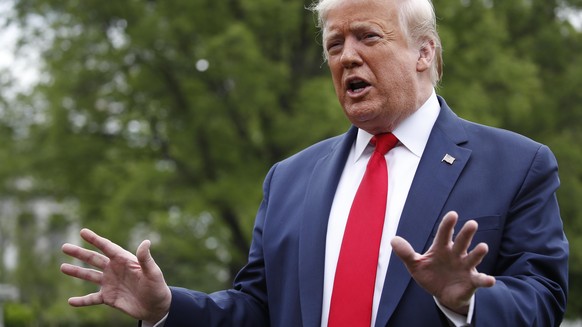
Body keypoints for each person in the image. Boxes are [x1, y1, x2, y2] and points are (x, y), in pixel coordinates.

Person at [60, 0, 569, 326]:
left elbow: (545, 302)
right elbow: (259, 311)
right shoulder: (289, 179)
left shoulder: (517, 165)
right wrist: (168, 307)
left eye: (368, 37)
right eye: (334, 44)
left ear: (423, 51)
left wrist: (468, 300)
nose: (346, 56)